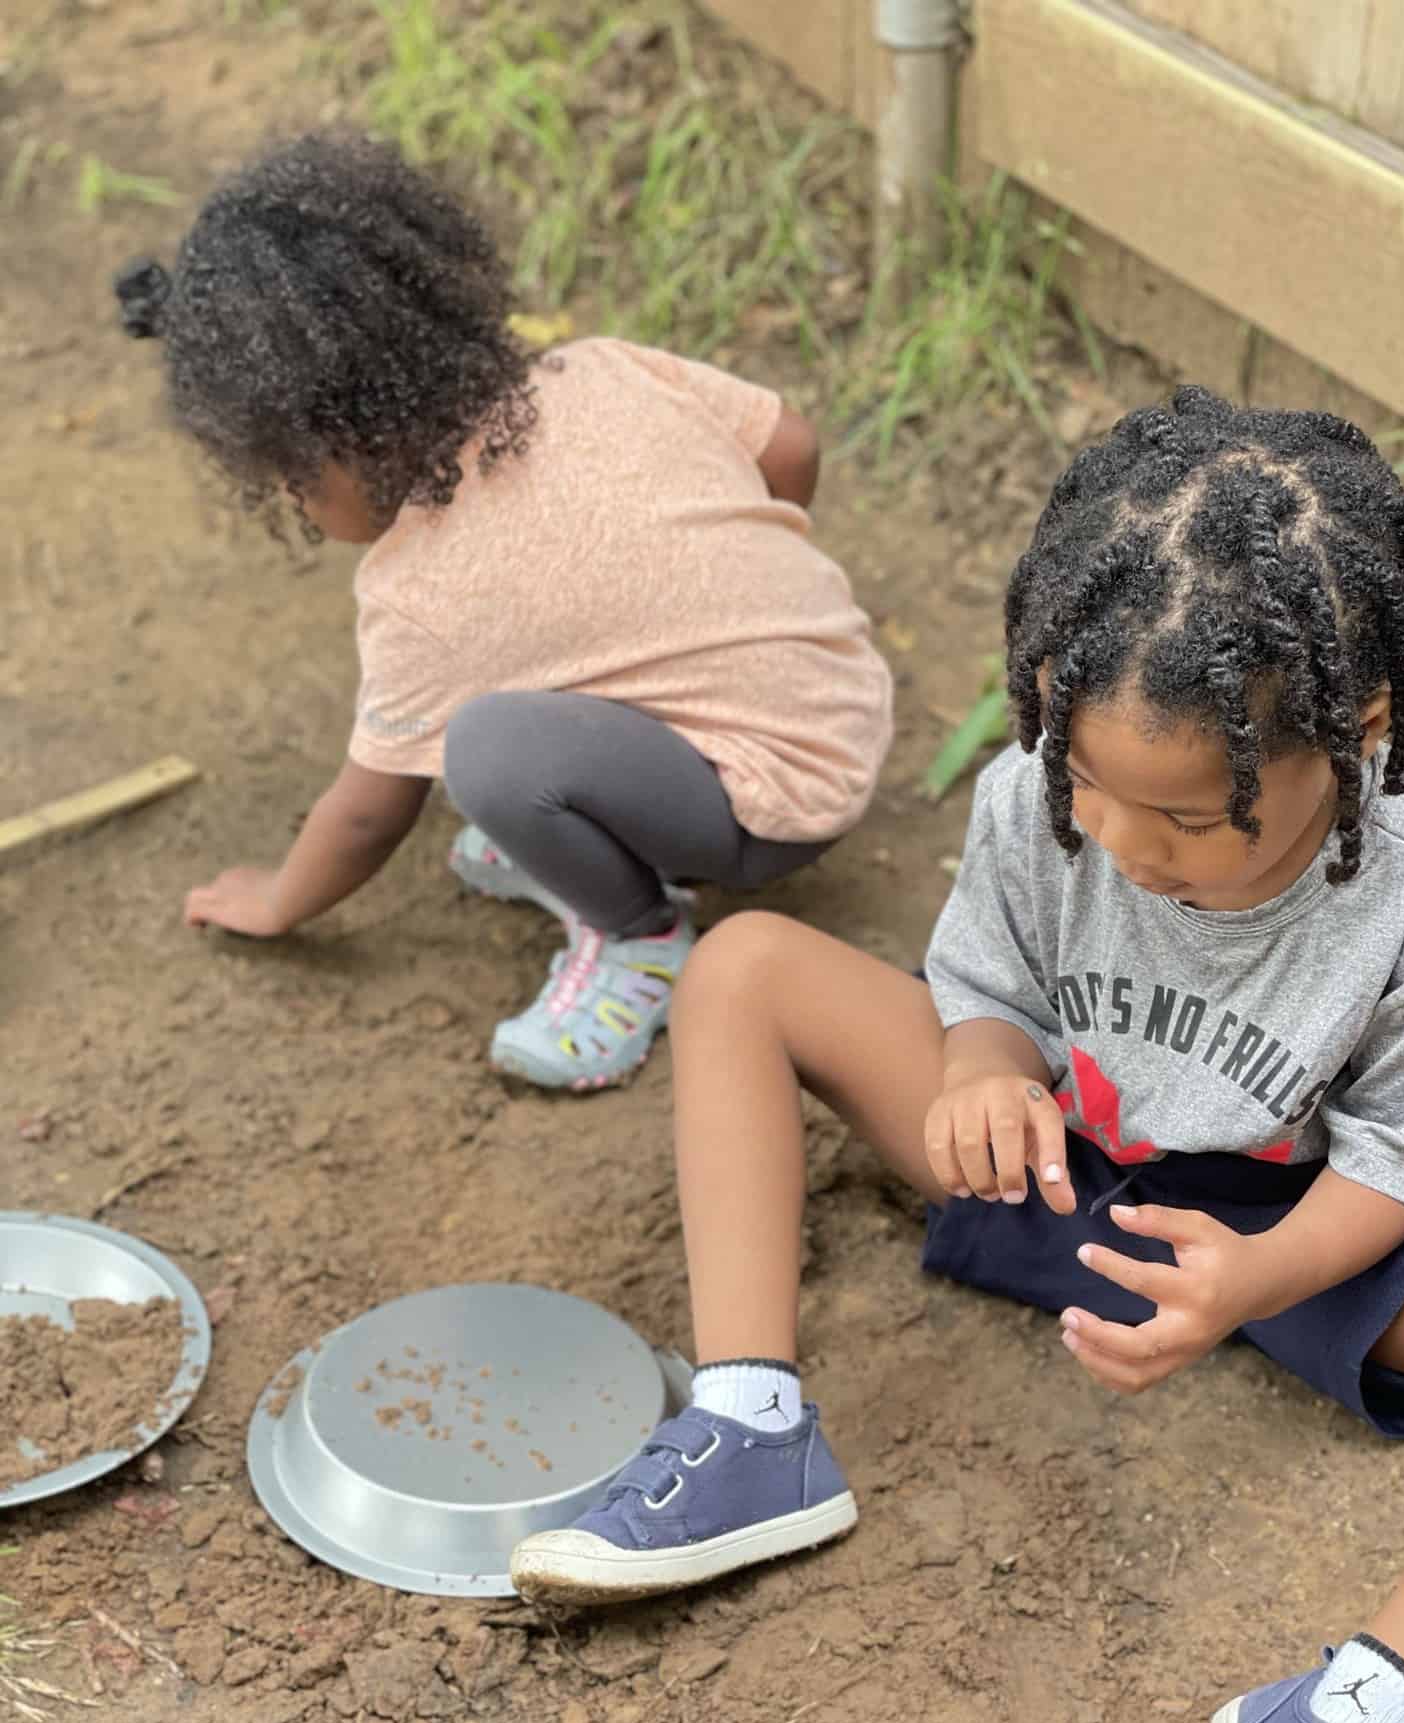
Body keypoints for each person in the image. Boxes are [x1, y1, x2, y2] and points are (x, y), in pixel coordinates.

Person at [509, 390, 1404, 1723]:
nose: (1121, 842)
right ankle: (755, 1421)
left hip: (1313, 1245)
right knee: (750, 970)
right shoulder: (1052, 792)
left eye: (1187, 817)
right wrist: (978, 1068)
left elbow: (1399, 1164)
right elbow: (984, 981)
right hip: (1068, 1160)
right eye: (1091, 791)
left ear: (1364, 724)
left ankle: (1351, 1721)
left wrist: (1250, 1281)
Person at [113, 130, 891, 1090]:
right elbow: (792, 447)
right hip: (842, 694)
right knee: (545, 705)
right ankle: (616, 821)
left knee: (488, 753)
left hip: (774, 814)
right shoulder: (603, 369)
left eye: (287, 480)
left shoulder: (419, 594)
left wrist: (278, 900)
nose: (291, 503)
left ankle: (638, 940)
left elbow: (368, 814)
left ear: (332, 449)